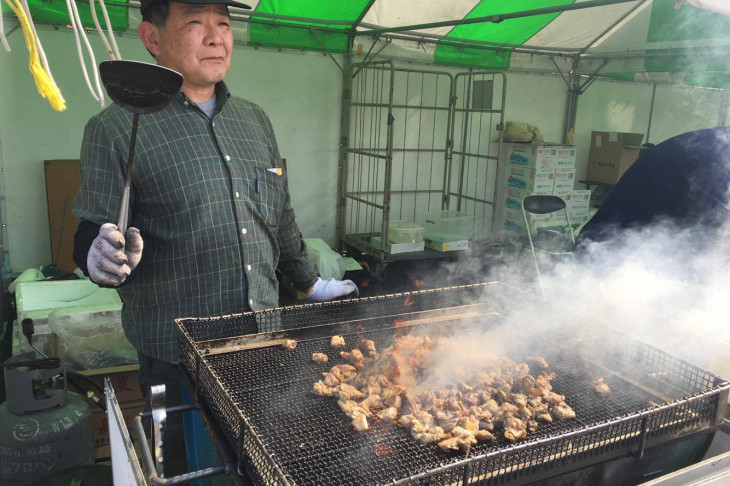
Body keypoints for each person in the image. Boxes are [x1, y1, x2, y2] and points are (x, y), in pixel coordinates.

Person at [72, 0, 357, 476]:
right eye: (195, 23)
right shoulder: (115, 127)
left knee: (259, 466)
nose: (216, 37)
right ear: (152, 37)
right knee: (177, 467)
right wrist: (97, 255)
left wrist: (310, 284)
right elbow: (91, 228)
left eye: (223, 24)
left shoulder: (254, 121)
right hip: (172, 358)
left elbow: (278, 214)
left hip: (261, 345)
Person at [575, 127, 730, 248]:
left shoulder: (717, 148)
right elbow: (715, 228)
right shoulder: (711, 157)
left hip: (657, 252)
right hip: (614, 254)